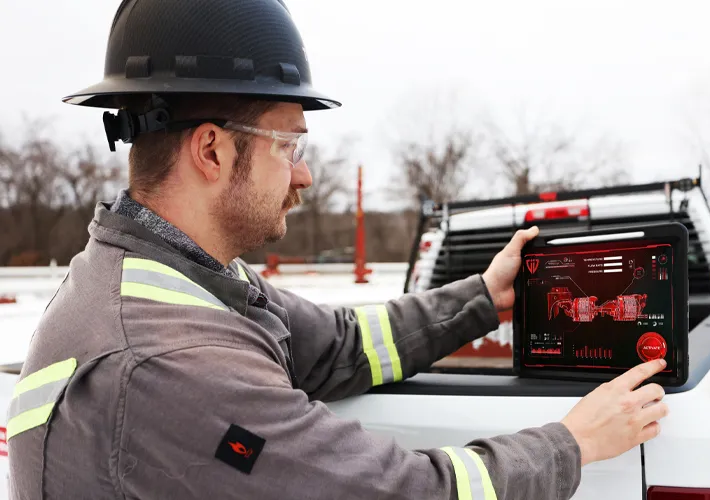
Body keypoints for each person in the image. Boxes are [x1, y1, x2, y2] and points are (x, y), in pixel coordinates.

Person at [5, 1, 669, 499]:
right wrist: (574, 442)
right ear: (211, 150)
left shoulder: (176, 277)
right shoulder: (170, 361)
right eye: (289, 145)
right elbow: (408, 494)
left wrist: (484, 299)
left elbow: (346, 344)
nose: (304, 174)